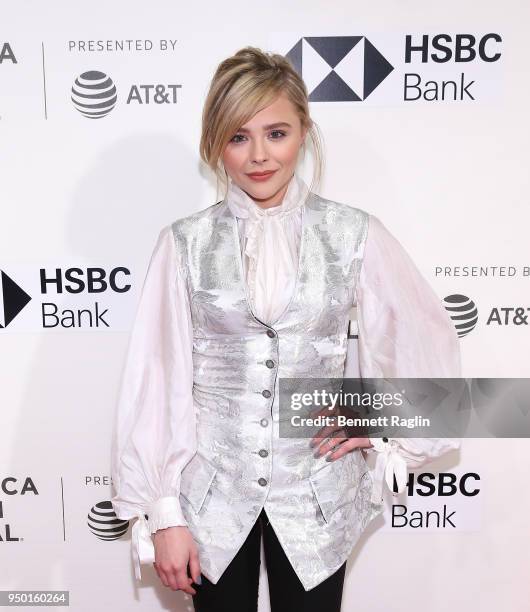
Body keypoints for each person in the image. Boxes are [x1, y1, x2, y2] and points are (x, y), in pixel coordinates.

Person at [110, 47, 461, 612]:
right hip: (212, 497)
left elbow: (425, 338)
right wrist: (163, 510)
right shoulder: (183, 242)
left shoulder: (354, 232)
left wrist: (387, 419)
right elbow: (157, 376)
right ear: (214, 145)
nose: (258, 156)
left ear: (304, 131)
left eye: (276, 133)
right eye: (237, 137)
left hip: (319, 496)